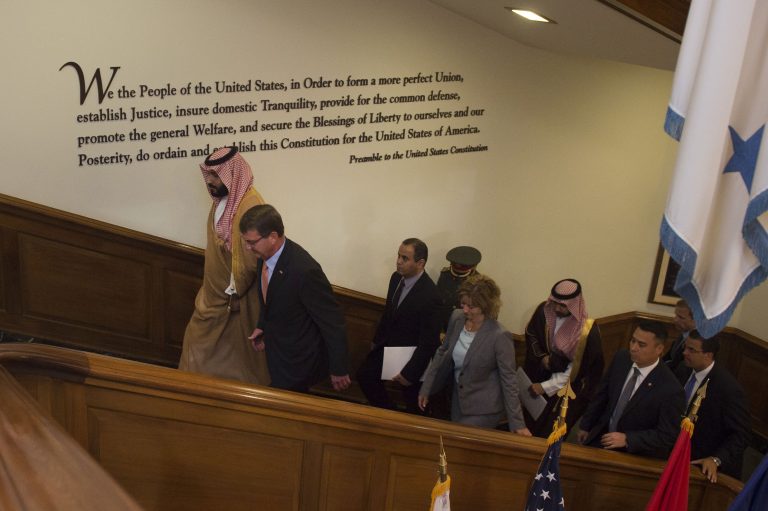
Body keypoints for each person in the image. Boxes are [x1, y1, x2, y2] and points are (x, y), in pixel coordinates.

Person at [178, 146, 269, 385]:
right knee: (200, 344)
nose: (210, 181)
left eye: (216, 175)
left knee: (239, 359)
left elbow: (250, 259)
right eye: (208, 174)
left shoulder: (249, 205)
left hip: (234, 298)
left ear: (232, 174)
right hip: (214, 294)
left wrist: (233, 291)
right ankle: (193, 390)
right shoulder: (222, 201)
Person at [239, 204, 351, 393]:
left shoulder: (305, 270)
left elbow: (333, 322)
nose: (248, 248)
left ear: (273, 237)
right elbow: (271, 299)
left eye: (252, 242)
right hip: (277, 352)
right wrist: (262, 325)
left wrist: (339, 368)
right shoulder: (264, 255)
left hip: (298, 360)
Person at [418, 275, 531, 435]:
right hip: (459, 400)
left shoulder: (499, 336)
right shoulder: (457, 318)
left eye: (471, 307)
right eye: (463, 303)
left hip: (484, 408)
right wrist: (427, 387)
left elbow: (509, 380)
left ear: (486, 306)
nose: (465, 310)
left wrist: (518, 423)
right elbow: (442, 351)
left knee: (457, 444)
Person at [356, 238, 442, 413]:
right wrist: (376, 341)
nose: (398, 261)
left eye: (405, 258)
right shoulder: (396, 279)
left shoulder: (431, 295)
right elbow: (388, 314)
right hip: (387, 347)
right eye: (398, 256)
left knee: (415, 406)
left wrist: (411, 373)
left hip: (411, 358)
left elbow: (428, 341)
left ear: (420, 263)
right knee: (365, 376)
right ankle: (388, 414)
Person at [577, 320, 685, 459]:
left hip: (635, 453)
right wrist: (586, 425)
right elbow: (601, 395)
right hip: (601, 437)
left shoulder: (671, 389)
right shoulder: (622, 358)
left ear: (659, 349)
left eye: (641, 345)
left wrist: (628, 439)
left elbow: (667, 435)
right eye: (632, 341)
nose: (633, 348)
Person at [522, 278, 603, 437]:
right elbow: (531, 334)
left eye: (563, 305)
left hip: (563, 391)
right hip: (538, 377)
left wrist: (545, 387)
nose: (557, 308)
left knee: (546, 435)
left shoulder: (587, 332)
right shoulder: (544, 311)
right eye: (555, 303)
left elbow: (576, 371)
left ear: (574, 305)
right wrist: (542, 357)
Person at [676, 331, 750, 482]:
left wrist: (716, 459)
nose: (684, 353)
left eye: (691, 350)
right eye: (685, 347)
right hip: (673, 450)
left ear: (708, 355)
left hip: (699, 462)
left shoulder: (728, 389)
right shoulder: (682, 370)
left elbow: (741, 435)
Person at [435, 245, 482, 329]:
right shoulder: (445, 275)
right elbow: (438, 301)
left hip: (463, 326)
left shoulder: (477, 282)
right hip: (441, 324)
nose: (458, 268)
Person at [662, 299, 696, 372]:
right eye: (676, 315)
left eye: (681, 317)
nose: (675, 320)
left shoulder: (698, 342)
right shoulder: (683, 334)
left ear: (695, 319)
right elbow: (669, 358)